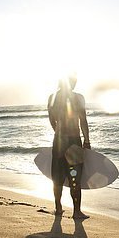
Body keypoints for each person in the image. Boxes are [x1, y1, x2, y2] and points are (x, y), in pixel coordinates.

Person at [48, 74, 91, 219]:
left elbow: (52, 121)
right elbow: (83, 120)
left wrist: (59, 133)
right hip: (73, 141)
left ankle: (58, 208)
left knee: (57, 177)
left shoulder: (52, 98)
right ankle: (76, 212)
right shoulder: (78, 98)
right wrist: (87, 141)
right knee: (75, 177)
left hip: (59, 141)